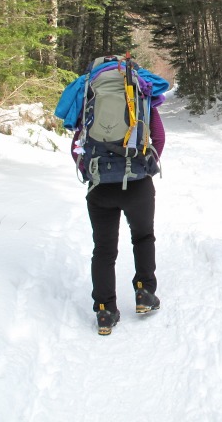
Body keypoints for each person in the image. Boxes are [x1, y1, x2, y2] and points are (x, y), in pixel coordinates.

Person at [61, 58, 167, 335]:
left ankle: (105, 311)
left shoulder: (87, 93)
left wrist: (92, 171)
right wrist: (142, 165)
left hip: (100, 187)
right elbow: (158, 136)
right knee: (143, 237)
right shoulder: (139, 90)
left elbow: (76, 145)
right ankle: (144, 293)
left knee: (104, 249)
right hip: (137, 183)